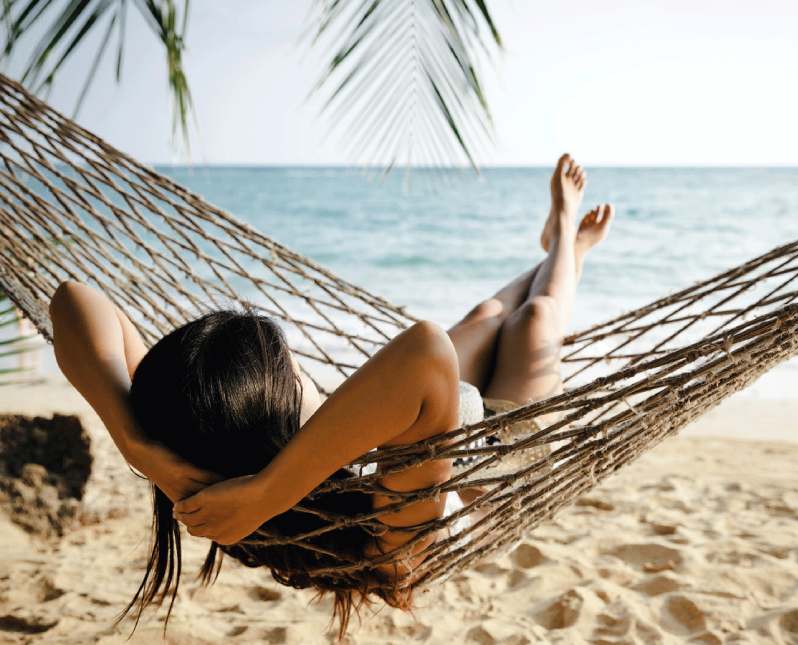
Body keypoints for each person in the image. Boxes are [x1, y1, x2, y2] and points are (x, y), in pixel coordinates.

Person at [49, 154, 613, 636]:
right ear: (279, 428)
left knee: (488, 315)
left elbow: (74, 300)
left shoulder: (205, 458)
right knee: (534, 318)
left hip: (424, 411)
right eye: (301, 379)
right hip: (491, 453)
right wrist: (269, 492)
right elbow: (425, 351)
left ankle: (548, 255)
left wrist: (137, 446)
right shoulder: (383, 527)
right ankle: (568, 245)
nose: (311, 376)